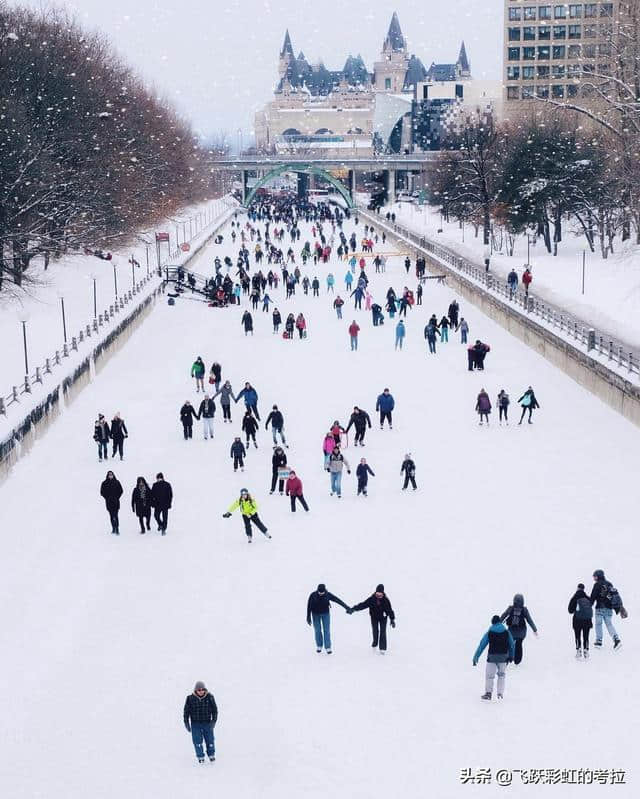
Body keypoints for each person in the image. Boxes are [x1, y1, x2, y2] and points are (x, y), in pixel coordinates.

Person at [473, 615, 515, 701]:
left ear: (492, 622)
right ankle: (500, 694)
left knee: (489, 676)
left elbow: (482, 645)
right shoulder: (506, 632)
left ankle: (488, 693)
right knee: (501, 675)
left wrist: (476, 657)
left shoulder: (490, 632)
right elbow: (512, 645)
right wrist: (511, 656)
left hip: (492, 657)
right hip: (503, 658)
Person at [306, 584, 352, 654]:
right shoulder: (312, 595)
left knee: (326, 630)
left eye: (322, 592)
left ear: (325, 590)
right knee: (317, 630)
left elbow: (337, 600)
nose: (321, 593)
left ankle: (328, 647)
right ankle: (319, 645)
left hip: (325, 614)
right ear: (317, 590)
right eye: (319, 592)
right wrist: (308, 616)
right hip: (315, 614)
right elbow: (309, 605)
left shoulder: (328, 594)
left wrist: (346, 607)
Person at [351, 584, 395, 654]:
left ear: (383, 593)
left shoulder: (386, 600)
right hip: (374, 617)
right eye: (377, 593)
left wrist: (392, 619)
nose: (378, 594)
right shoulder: (372, 599)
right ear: (375, 592)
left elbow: (390, 610)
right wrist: (354, 609)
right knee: (375, 630)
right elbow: (363, 605)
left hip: (383, 618)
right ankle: (375, 643)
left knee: (383, 631)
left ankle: (382, 648)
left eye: (380, 593)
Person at [183, 681, 218, 764]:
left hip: (207, 723)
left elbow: (215, 711)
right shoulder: (190, 698)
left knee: (210, 740)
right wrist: (186, 723)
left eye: (202, 689)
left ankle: (211, 755)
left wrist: (213, 721)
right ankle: (200, 756)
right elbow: (186, 713)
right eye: (199, 690)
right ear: (196, 690)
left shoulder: (210, 697)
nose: (201, 691)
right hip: (195, 724)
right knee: (197, 741)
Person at [500, 594, 538, 665]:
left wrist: (497, 623)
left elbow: (503, 616)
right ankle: (517, 661)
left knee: (509, 644)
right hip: (522, 632)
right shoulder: (524, 610)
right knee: (519, 644)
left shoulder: (510, 608)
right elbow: (530, 620)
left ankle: (507, 659)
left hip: (511, 631)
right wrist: (535, 630)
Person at [590, 569, 623, 650]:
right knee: (609, 624)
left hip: (600, 608)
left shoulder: (597, 584)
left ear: (598, 576)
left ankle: (599, 641)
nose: (594, 578)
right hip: (609, 609)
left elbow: (592, 597)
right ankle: (616, 639)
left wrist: (588, 605)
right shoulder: (609, 584)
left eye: (594, 576)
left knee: (598, 624)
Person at [568, 583, 593, 659]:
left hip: (577, 620)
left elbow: (570, 610)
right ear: (583, 589)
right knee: (586, 636)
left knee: (577, 636)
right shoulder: (588, 598)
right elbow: (590, 606)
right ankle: (586, 651)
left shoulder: (574, 597)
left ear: (577, 588)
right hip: (587, 620)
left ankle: (578, 650)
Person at [100, 470, 123, 535]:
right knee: (111, 515)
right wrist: (106, 497)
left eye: (111, 475)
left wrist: (117, 497)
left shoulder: (117, 482)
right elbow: (102, 492)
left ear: (113, 475)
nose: (110, 476)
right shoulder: (104, 483)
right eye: (109, 475)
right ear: (107, 476)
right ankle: (113, 527)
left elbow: (121, 490)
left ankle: (117, 528)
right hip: (108, 502)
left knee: (116, 515)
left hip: (116, 502)